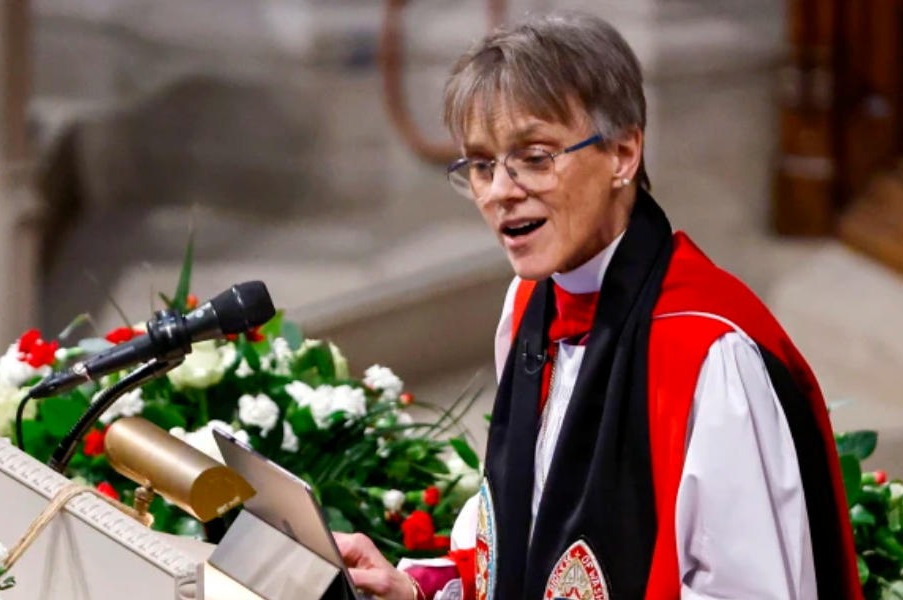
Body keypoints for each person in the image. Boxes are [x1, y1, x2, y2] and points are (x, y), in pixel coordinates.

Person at [335, 10, 862, 600]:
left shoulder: (707, 353)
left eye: (535, 157)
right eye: (482, 165)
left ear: (622, 154)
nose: (501, 192)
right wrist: (415, 588)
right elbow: (530, 534)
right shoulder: (531, 305)